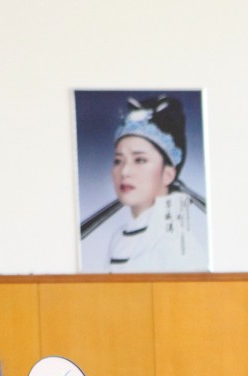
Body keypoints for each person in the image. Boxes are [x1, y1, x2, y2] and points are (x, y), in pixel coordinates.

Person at [79, 95, 208, 273]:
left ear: (168, 174)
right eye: (118, 161)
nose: (124, 171)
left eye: (140, 160)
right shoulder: (119, 238)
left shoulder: (176, 242)